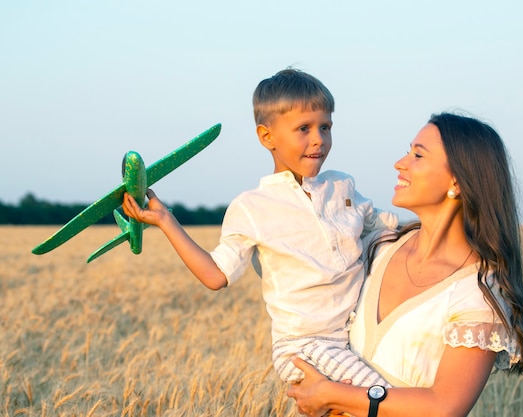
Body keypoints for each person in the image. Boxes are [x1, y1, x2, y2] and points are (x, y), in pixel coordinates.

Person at [122, 68, 398, 387]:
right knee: (383, 396)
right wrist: (165, 221)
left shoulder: (341, 186)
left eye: (325, 127)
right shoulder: (253, 207)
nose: (319, 139)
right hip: (305, 347)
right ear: (267, 137)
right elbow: (215, 275)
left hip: (354, 334)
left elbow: (383, 226)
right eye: (304, 129)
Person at [287, 112, 523, 417]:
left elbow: (443, 407)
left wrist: (335, 395)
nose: (400, 163)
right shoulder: (379, 247)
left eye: (418, 154)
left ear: (457, 181)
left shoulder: (476, 291)